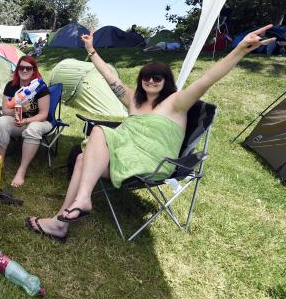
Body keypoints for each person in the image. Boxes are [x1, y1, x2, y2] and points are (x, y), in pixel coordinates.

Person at [25, 25, 276, 241]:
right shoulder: (133, 101)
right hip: (125, 153)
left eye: (158, 77)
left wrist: (240, 49)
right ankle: (61, 223)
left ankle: (81, 200)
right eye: (146, 77)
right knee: (81, 158)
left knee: (100, 130)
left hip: (154, 161)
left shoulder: (177, 102)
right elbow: (109, 75)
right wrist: (91, 50)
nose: (151, 81)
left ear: (167, 81)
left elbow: (208, 78)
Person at [0, 55, 51, 188]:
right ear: (17, 70)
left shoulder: (40, 88)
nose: (24, 71)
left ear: (33, 70)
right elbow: (5, 111)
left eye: (28, 68)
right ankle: (0, 162)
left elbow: (43, 115)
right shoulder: (11, 86)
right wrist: (18, 109)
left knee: (34, 128)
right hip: (19, 121)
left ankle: (21, 170)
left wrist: (26, 119)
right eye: (21, 67)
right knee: (1, 121)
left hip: (39, 122)